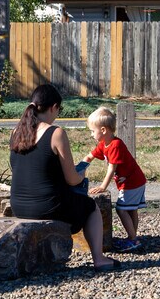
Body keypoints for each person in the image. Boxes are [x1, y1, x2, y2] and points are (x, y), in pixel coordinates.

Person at [9, 84, 120, 272]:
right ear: (53, 107)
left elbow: (21, 169)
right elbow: (72, 179)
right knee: (90, 207)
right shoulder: (56, 133)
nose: (57, 114)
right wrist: (81, 173)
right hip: (47, 206)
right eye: (58, 110)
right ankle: (99, 259)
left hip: (18, 205)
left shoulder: (16, 132)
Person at [83, 107, 147, 252]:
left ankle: (133, 240)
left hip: (132, 182)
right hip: (133, 181)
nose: (91, 134)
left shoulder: (115, 145)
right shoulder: (104, 144)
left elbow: (111, 168)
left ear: (103, 130)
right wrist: (81, 166)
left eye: (93, 131)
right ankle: (133, 237)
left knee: (121, 209)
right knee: (131, 209)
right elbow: (90, 156)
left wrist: (103, 187)